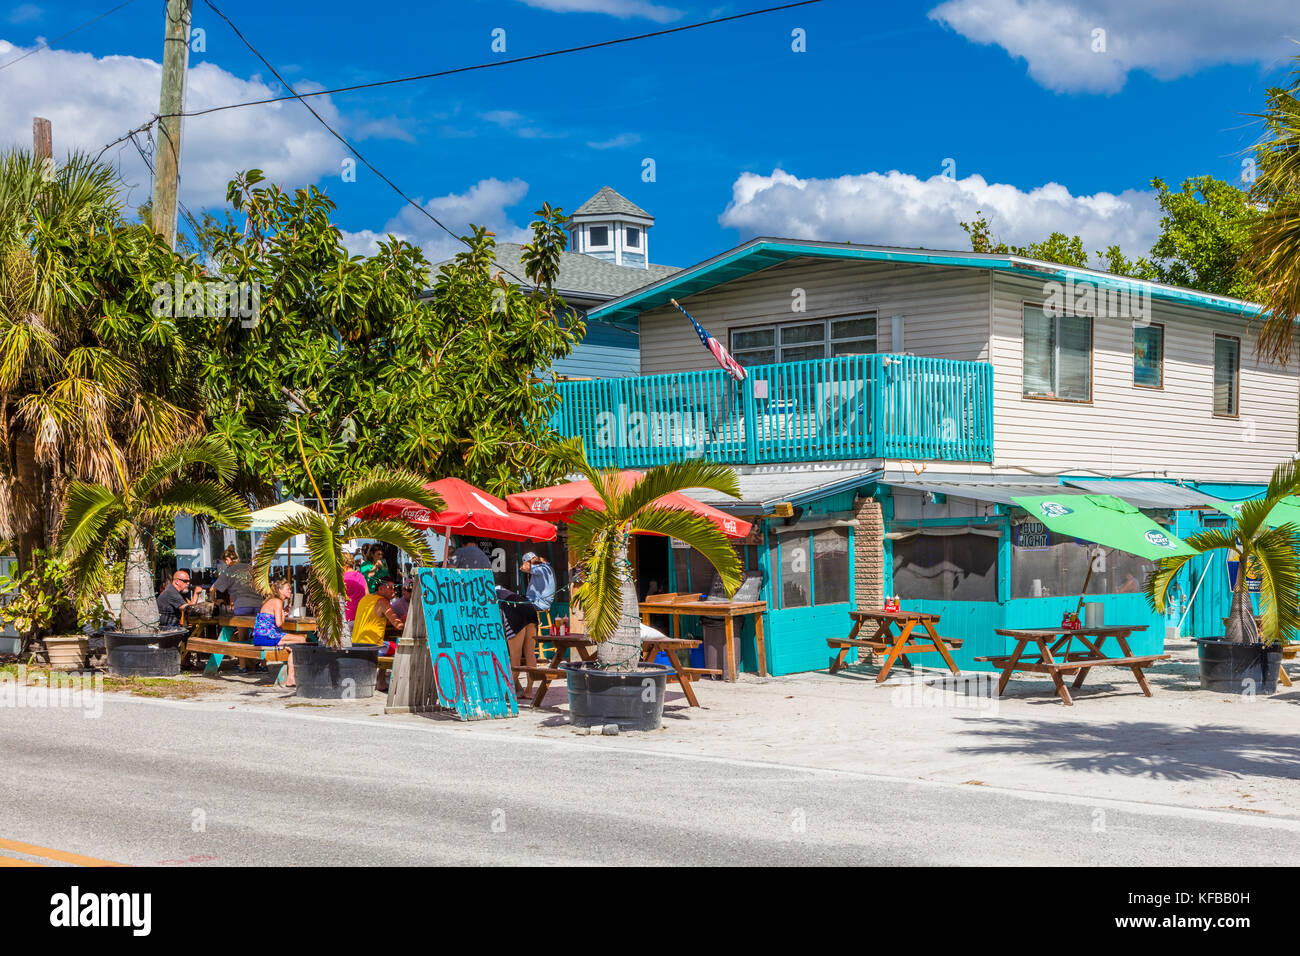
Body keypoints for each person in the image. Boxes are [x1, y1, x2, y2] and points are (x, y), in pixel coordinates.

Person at [352, 576, 405, 691]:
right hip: (373, 648)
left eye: (394, 587)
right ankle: (390, 683)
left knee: (386, 644)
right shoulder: (383, 601)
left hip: (356, 645)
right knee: (401, 648)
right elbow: (399, 625)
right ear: (381, 589)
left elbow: (374, 621)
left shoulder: (365, 599)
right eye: (390, 588)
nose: (394, 590)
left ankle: (381, 681)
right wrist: (407, 620)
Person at [496, 584, 539, 698]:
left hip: (513, 609)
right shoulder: (501, 588)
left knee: (515, 656)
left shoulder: (485, 594)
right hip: (528, 606)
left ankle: (507, 692)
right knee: (530, 653)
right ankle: (529, 691)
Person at [252, 579, 296, 685]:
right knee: (301, 640)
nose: (290, 591)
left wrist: (283, 614)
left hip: (261, 636)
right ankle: (291, 677)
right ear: (280, 591)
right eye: (288, 589)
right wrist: (282, 615)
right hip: (267, 636)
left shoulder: (272, 601)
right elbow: (279, 623)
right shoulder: (277, 601)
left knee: (295, 644)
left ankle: (291, 676)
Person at [342, 552, 368, 642]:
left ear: (343, 564)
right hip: (360, 617)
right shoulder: (361, 576)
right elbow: (367, 595)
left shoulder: (343, 579)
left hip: (347, 618)